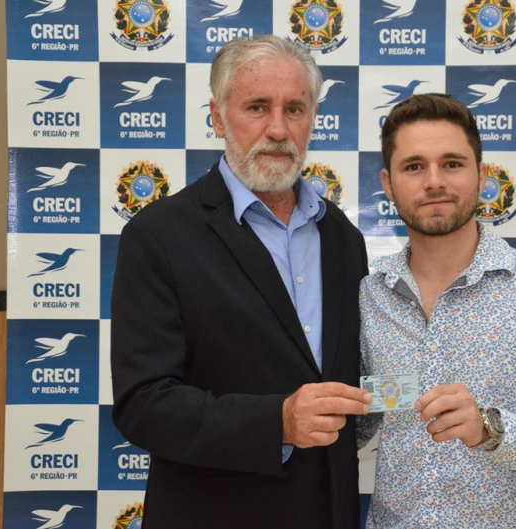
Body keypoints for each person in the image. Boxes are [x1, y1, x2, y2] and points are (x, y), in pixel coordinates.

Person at [111, 35, 371, 528]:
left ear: (313, 117)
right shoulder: (158, 235)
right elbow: (143, 405)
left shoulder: (342, 237)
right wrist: (278, 422)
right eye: (257, 107)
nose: (278, 129)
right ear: (217, 116)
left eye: (295, 109)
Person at [357, 93, 516, 528]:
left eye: (452, 164)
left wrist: (489, 430)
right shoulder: (370, 294)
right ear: (388, 183)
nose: (434, 181)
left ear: (482, 174)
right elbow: (363, 418)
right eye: (414, 166)